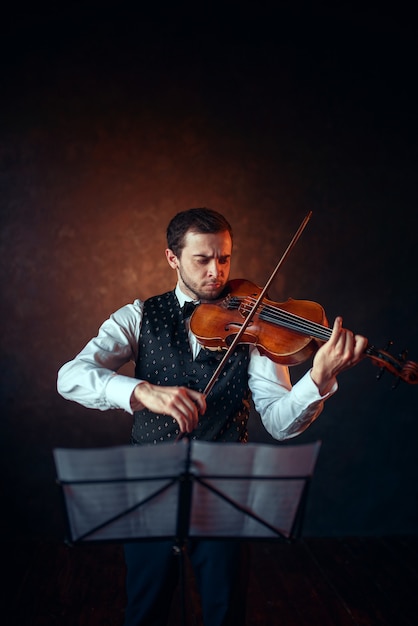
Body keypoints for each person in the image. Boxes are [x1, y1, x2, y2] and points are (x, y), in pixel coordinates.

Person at [57, 207, 368, 626]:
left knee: (225, 611)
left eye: (223, 259)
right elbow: (70, 376)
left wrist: (318, 377)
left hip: (224, 485)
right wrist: (141, 391)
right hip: (150, 483)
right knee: (144, 609)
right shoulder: (136, 317)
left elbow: (279, 422)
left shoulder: (255, 326)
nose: (216, 273)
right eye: (202, 260)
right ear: (172, 258)